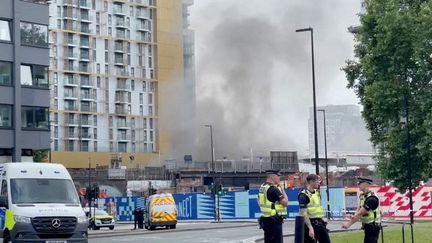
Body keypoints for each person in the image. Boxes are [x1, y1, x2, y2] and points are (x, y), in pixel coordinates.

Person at [342, 177, 380, 243]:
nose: (358, 184)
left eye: (360, 183)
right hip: (367, 227)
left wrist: (348, 224)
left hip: (373, 227)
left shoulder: (372, 199)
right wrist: (354, 215)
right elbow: (359, 209)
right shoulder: (363, 196)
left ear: (365, 184)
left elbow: (361, 213)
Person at [257, 170, 288, 243]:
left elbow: (258, 201)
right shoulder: (273, 189)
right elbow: (286, 203)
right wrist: (282, 190)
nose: (279, 178)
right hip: (274, 221)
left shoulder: (263, 187)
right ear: (273, 177)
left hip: (266, 220)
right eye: (278, 176)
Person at [298, 174, 331, 243]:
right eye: (317, 181)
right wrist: (310, 228)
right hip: (310, 225)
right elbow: (303, 213)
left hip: (320, 224)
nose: (319, 183)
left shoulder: (317, 193)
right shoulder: (303, 195)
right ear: (311, 182)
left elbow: (317, 208)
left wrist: (322, 218)